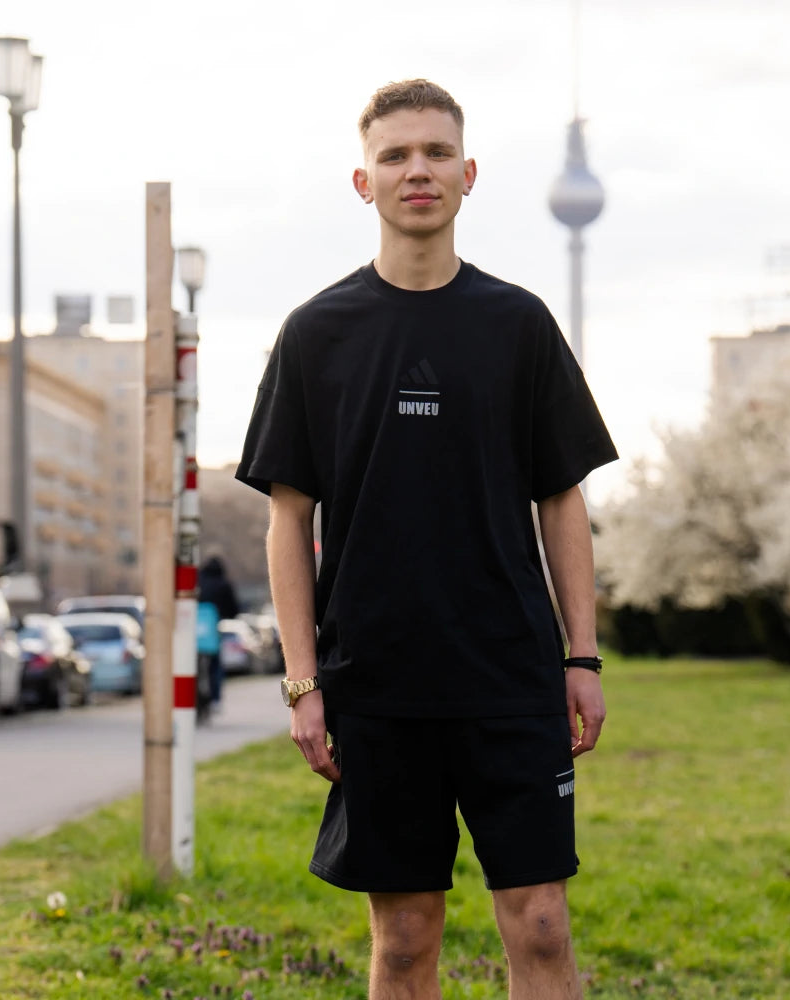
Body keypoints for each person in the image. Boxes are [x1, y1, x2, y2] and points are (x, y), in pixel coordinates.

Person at [236, 79, 618, 1000]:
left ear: (468, 173)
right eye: (396, 155)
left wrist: (581, 657)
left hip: (509, 676)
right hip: (377, 682)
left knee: (542, 924)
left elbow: (561, 501)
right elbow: (288, 521)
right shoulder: (316, 334)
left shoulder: (519, 324)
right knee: (404, 938)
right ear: (363, 181)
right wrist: (303, 683)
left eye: (437, 153)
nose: (419, 171)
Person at [197, 554, 240, 709]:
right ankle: (215, 698)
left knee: (193, 662)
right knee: (215, 664)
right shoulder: (223, 583)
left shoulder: (198, 580)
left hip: (195, 631)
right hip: (212, 629)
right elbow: (234, 608)